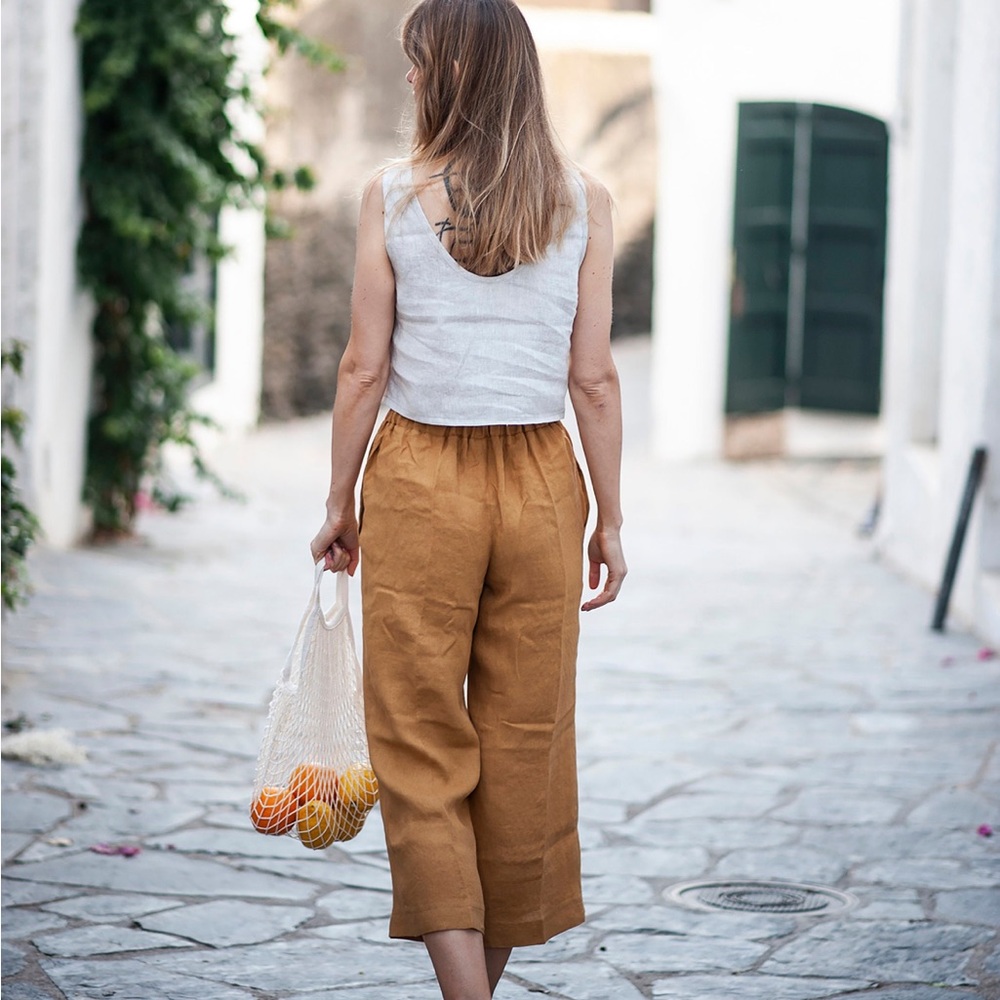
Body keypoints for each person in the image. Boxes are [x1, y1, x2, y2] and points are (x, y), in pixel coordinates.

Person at [310, 1, 626, 996]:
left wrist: (339, 498)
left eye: (414, 64)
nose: (406, 80)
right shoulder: (585, 200)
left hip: (419, 482)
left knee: (415, 736)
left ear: (445, 71)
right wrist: (610, 517)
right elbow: (595, 380)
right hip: (541, 486)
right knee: (524, 739)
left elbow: (364, 368)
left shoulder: (393, 196)